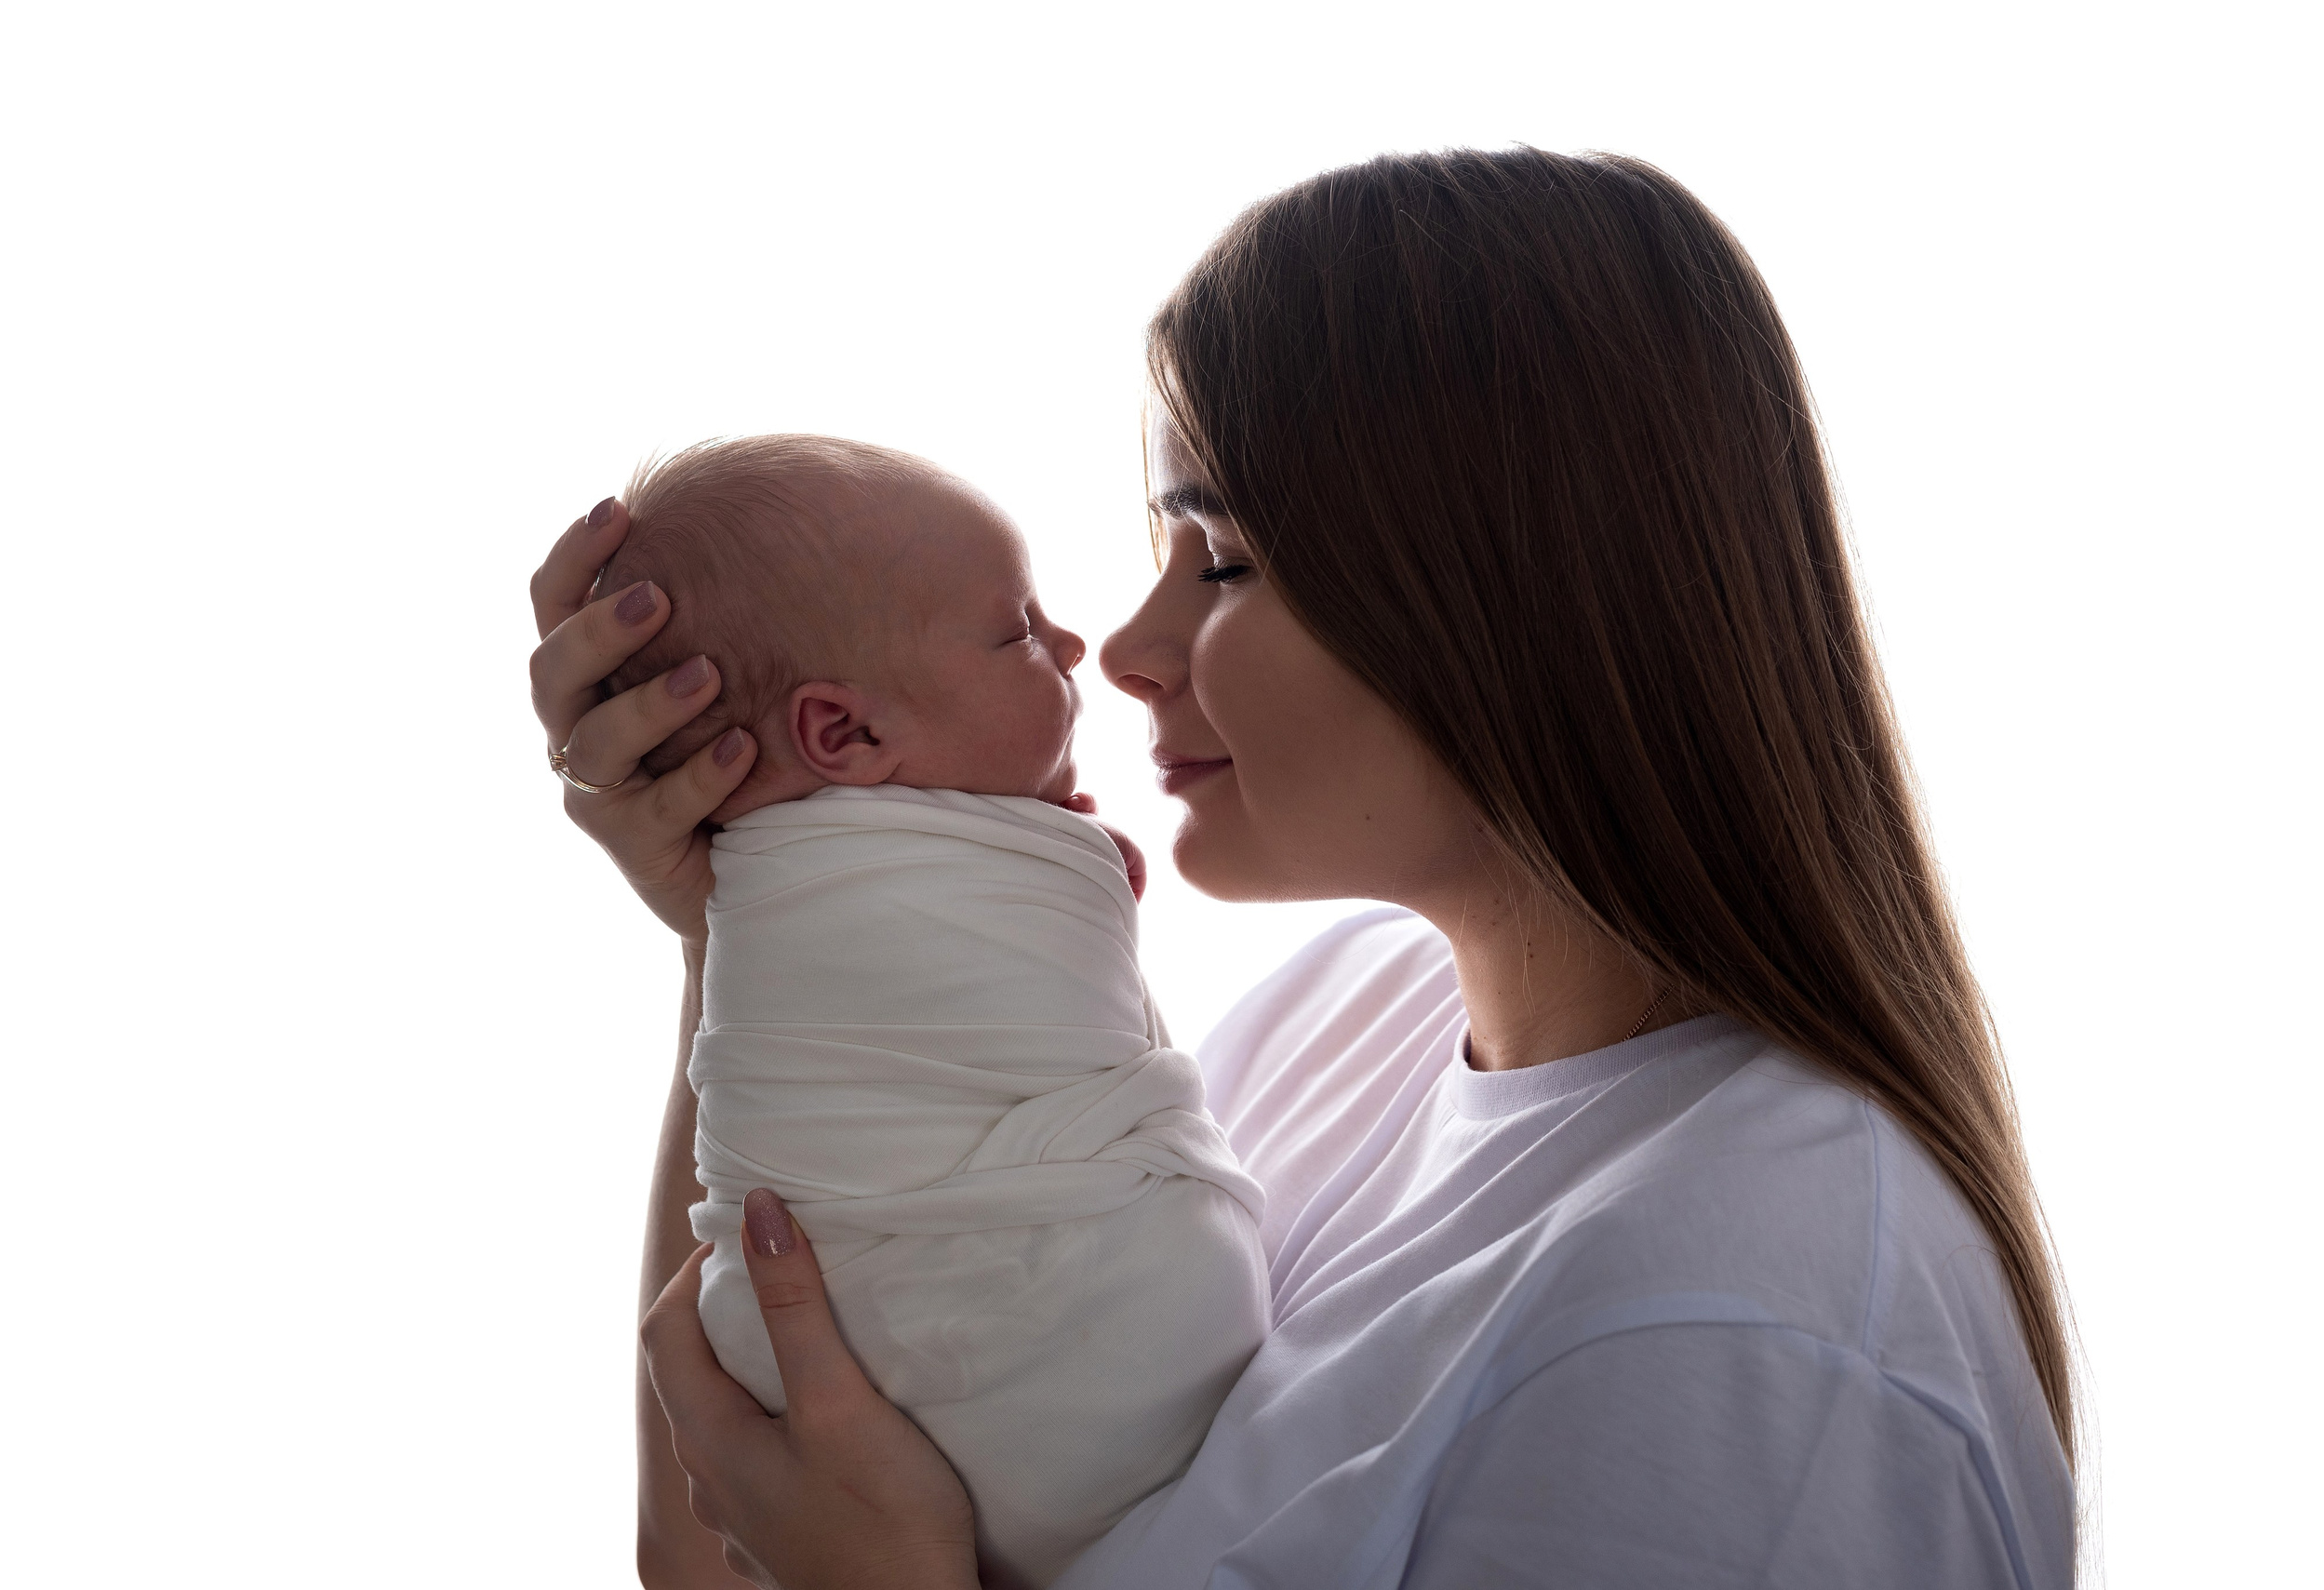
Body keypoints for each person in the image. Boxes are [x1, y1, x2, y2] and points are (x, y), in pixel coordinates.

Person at [527, 146, 2077, 1588]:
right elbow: (721, 1526)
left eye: (1229, 559)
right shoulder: (1348, 1027)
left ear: (1511, 594)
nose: (1124, 652)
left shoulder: (1741, 1326)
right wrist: (751, 910)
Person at [586, 432, 1268, 1587]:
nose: (1103, 650)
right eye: (1018, 632)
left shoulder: (1651, 1312)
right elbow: (699, 1564)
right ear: (842, 734)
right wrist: (720, 926)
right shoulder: (1316, 1019)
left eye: (1228, 564)